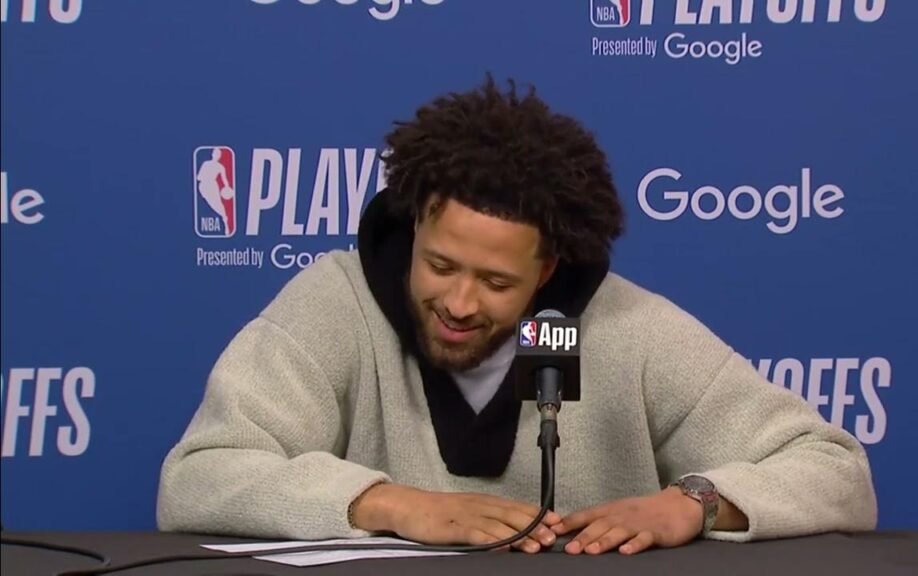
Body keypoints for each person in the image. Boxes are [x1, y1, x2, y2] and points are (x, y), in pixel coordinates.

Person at [157, 75, 878, 556]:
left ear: (548, 270)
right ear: (413, 232)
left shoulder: (631, 328)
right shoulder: (333, 302)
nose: (460, 303)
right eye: (440, 266)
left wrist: (696, 502)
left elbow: (835, 469)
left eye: (498, 281)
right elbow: (199, 477)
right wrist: (387, 503)